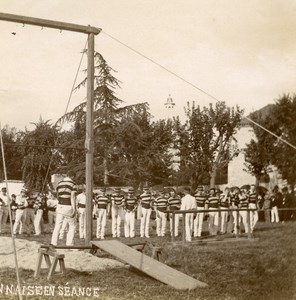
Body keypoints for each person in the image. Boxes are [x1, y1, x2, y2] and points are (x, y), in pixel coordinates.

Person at [50, 176, 76, 247]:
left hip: (60, 205)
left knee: (57, 225)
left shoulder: (59, 184)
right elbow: (72, 197)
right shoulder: (72, 184)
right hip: (68, 205)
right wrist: (74, 209)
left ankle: (53, 242)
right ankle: (69, 243)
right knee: (72, 225)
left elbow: (57, 195)